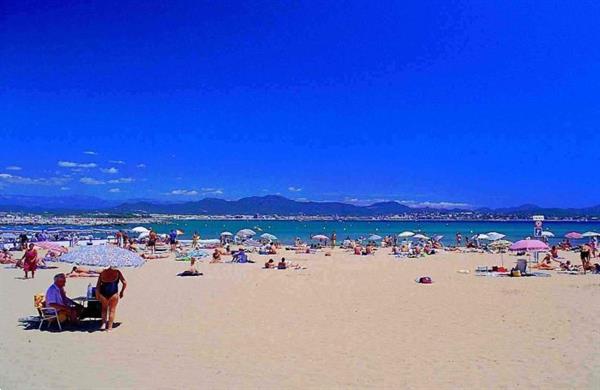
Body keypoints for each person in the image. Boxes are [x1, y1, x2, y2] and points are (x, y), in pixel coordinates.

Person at [95, 267, 127, 331]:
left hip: (103, 294)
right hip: (114, 293)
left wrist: (97, 295)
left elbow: (98, 286)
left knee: (104, 309)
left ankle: (103, 325)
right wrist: (122, 291)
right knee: (112, 310)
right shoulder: (117, 272)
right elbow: (124, 282)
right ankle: (109, 327)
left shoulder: (102, 272)